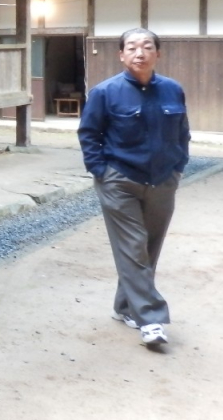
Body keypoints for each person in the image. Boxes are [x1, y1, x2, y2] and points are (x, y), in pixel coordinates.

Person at [77, 27, 189, 348]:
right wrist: (101, 172)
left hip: (163, 181)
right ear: (121, 54)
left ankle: (125, 305)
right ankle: (151, 319)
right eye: (132, 47)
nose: (140, 52)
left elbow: (182, 132)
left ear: (158, 53)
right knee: (134, 246)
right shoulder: (105, 92)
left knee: (149, 248)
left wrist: (178, 166)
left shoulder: (172, 90)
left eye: (147, 46)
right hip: (120, 181)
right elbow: (89, 135)